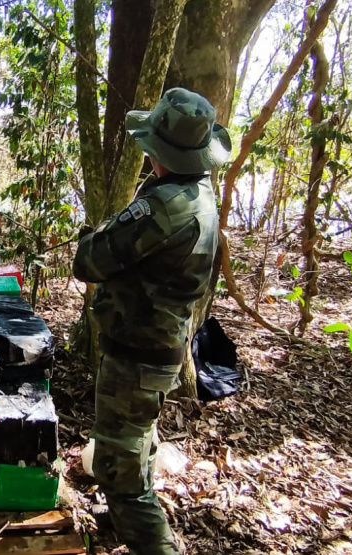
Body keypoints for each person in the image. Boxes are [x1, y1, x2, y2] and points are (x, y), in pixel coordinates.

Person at [73, 87, 231, 555]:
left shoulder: (164, 207)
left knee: (124, 478)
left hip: (137, 357)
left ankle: (153, 542)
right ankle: (120, 522)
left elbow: (90, 261)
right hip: (156, 349)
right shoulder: (199, 193)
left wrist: (96, 234)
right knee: (131, 451)